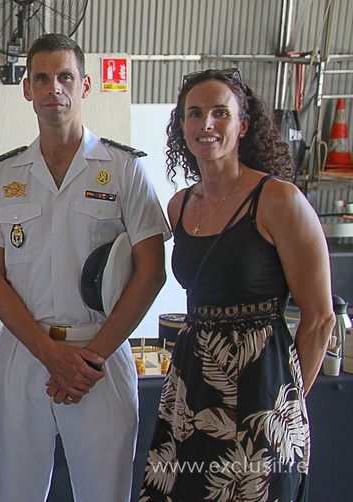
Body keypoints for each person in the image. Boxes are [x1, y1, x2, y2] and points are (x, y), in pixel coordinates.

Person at [0, 33, 170, 501]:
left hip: (99, 357)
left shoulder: (123, 170)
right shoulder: (4, 177)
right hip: (24, 353)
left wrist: (91, 358)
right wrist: (47, 352)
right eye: (42, 78)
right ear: (27, 89)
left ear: (85, 86)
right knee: (17, 494)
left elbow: (151, 272)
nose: (53, 88)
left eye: (65, 76)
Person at [139, 68, 334, 501]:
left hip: (262, 391)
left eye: (219, 113)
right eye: (194, 114)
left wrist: (285, 401)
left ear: (242, 125)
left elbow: (320, 319)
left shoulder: (279, 200)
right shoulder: (180, 206)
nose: (206, 124)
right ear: (182, 126)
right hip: (191, 388)